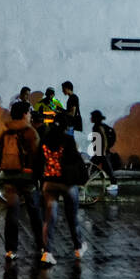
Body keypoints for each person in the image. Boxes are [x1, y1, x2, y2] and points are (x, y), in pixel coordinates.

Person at [0, 100, 44, 263]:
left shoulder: (6, 132)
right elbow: (37, 156)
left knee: (12, 213)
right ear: (24, 114)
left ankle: (11, 249)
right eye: (29, 112)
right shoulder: (30, 132)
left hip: (10, 176)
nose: (30, 115)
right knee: (34, 212)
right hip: (27, 177)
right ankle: (41, 245)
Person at [38, 112, 87, 263]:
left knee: (49, 218)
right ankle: (78, 248)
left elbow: (39, 160)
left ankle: (47, 252)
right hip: (67, 183)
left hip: (49, 182)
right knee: (72, 217)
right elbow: (76, 160)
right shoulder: (67, 139)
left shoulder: (45, 139)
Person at [89, 109, 117, 183]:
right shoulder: (96, 126)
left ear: (95, 118)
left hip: (101, 152)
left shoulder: (99, 127)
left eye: (92, 117)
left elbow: (104, 139)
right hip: (99, 151)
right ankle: (85, 181)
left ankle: (114, 183)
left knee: (107, 168)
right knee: (92, 166)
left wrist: (104, 151)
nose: (90, 118)